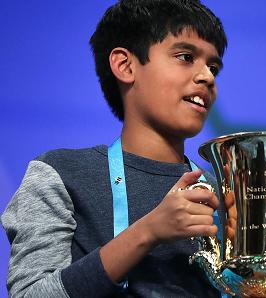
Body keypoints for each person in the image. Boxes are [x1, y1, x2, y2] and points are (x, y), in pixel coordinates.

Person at [1, 0, 227, 297]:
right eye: (186, 57)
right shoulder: (62, 174)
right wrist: (148, 232)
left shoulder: (223, 193)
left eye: (213, 67)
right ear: (125, 65)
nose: (207, 77)